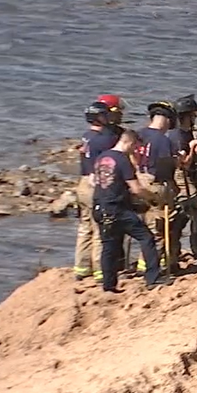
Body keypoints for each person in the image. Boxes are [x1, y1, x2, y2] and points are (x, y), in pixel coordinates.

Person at [92, 129, 164, 293]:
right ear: (130, 142)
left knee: (109, 246)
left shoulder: (101, 157)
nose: (135, 150)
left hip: (99, 206)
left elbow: (93, 181)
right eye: (135, 147)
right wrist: (153, 197)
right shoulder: (122, 160)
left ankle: (109, 285)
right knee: (146, 237)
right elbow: (136, 188)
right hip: (117, 209)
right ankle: (153, 278)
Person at [74, 101, 120, 282]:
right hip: (95, 184)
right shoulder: (103, 139)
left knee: (85, 227)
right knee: (100, 229)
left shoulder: (87, 136)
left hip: (83, 182)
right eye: (105, 115)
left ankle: (81, 267)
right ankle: (100, 270)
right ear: (98, 117)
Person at [135, 102, 181, 274]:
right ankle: (152, 264)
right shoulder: (163, 140)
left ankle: (141, 262)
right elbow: (166, 169)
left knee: (143, 224)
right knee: (160, 225)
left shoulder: (139, 134)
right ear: (167, 120)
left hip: (137, 180)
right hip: (155, 183)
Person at [167, 94, 197, 265]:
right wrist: (194, 150)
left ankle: (177, 251)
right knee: (195, 214)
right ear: (185, 116)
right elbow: (183, 164)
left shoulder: (183, 133)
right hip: (182, 180)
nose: (194, 118)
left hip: (188, 179)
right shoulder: (178, 136)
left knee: (183, 218)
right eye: (192, 115)